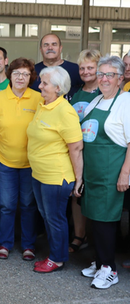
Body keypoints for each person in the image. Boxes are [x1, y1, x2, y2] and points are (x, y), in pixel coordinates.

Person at [79, 56, 130, 289]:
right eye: (101, 74)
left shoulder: (126, 101)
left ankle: (110, 269)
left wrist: (125, 174)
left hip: (111, 173)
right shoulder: (96, 100)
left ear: (120, 79)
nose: (104, 79)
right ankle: (100, 263)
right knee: (94, 219)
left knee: (106, 221)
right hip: (92, 172)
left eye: (110, 75)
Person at [27, 66, 83, 273]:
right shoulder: (44, 105)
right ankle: (55, 252)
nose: (39, 86)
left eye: (44, 83)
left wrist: (78, 178)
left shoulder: (65, 111)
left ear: (58, 88)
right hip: (39, 174)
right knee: (47, 215)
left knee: (55, 218)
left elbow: (76, 147)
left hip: (55, 176)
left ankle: (58, 259)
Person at [0, 58, 41, 261]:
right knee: (7, 205)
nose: (20, 77)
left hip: (31, 164)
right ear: (10, 75)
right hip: (5, 161)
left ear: (31, 77)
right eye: (16, 73)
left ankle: (28, 245)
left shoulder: (38, 98)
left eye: (25, 74)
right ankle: (5, 244)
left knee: (27, 205)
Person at [68, 49, 101, 253]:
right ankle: (79, 235)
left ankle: (97, 239)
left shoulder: (106, 94)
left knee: (95, 196)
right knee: (77, 194)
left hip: (97, 153)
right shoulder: (76, 93)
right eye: (82, 68)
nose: (86, 71)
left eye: (90, 67)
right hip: (77, 152)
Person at [30, 33, 83, 101]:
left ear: (60, 48)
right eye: (46, 45)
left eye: (54, 44)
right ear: (41, 49)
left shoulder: (75, 70)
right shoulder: (32, 71)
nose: (50, 48)